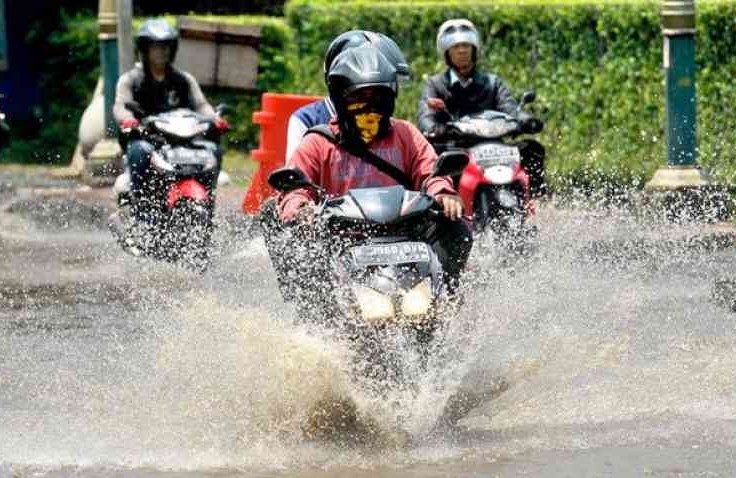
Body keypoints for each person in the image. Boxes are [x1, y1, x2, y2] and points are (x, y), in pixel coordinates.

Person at [273, 47, 472, 300]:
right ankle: (316, 316)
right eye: (359, 96)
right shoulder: (317, 142)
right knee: (302, 253)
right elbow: (295, 188)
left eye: (376, 95)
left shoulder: (405, 134)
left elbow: (430, 171)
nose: (368, 104)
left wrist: (443, 193)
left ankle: (448, 299)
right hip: (341, 243)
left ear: (389, 97)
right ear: (341, 98)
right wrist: (300, 209)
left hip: (406, 239)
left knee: (459, 231)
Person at [417, 19, 547, 197]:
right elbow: (426, 115)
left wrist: (525, 121)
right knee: (440, 161)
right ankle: (443, 206)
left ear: (474, 49)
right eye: (456, 47)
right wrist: (434, 128)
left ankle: (532, 199)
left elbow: (510, 108)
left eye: (466, 45)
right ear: (447, 53)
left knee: (533, 149)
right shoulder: (435, 85)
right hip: (456, 145)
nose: (462, 50)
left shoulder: (492, 83)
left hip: (493, 145)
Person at [113, 18, 229, 218]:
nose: (162, 51)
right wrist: (128, 119)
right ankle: (141, 214)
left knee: (213, 151)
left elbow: (201, 105)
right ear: (145, 49)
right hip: (147, 138)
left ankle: (207, 210)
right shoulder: (131, 79)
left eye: (166, 46)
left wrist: (214, 119)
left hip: (183, 141)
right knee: (140, 152)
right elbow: (120, 106)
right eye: (156, 46)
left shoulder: (183, 79)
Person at [284, 30, 411, 164]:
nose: (375, 97)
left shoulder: (393, 127)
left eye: (381, 91)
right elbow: (297, 173)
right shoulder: (308, 120)